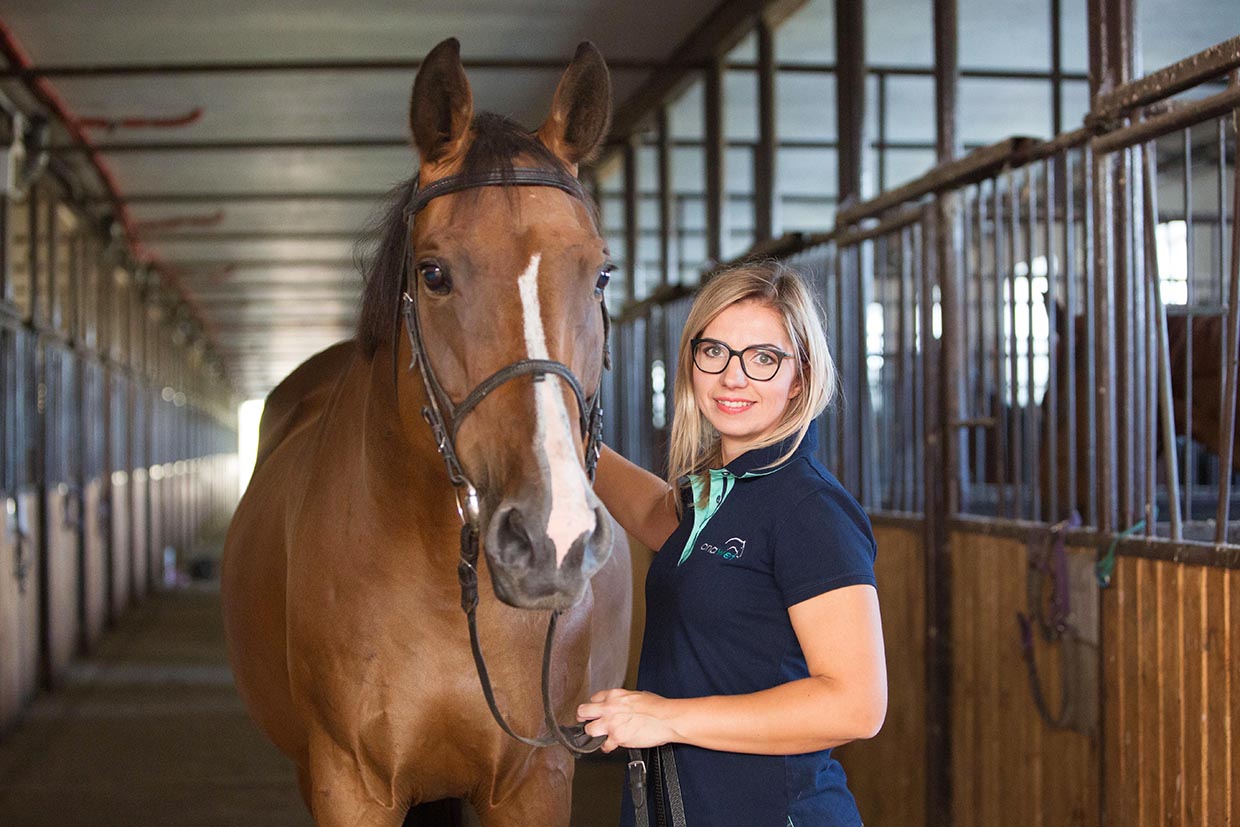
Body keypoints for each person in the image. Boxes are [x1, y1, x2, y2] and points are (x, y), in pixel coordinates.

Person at [578, 262, 887, 827]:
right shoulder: (721, 492)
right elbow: (653, 512)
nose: (733, 378)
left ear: (800, 376)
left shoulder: (808, 508)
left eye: (763, 358)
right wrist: (569, 438)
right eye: (714, 351)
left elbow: (857, 705)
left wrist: (667, 719)